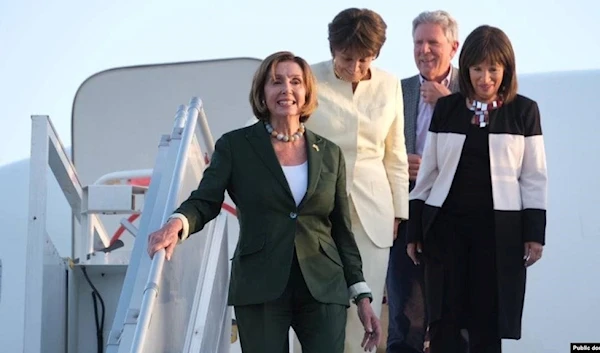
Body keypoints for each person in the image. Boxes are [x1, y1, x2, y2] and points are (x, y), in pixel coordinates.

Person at [146, 51, 381, 353]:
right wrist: (176, 225)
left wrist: (361, 295)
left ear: (307, 91)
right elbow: (206, 200)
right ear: (262, 93)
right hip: (260, 285)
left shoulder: (330, 153)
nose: (287, 89)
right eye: (276, 82)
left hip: (323, 285)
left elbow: (341, 231)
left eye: (296, 81)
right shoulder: (235, 146)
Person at [406, 25, 548, 353]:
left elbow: (534, 177)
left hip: (499, 235)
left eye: (493, 70)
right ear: (466, 70)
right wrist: (415, 229)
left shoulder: (524, 111)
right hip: (445, 231)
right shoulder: (448, 108)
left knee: (488, 322)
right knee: (444, 321)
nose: (485, 78)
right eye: (477, 69)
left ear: (506, 70)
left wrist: (534, 233)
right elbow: (428, 174)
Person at [303, 7, 409, 353]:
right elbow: (266, 128)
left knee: (362, 311)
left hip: (373, 212)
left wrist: (398, 211)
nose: (355, 68)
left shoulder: (390, 84)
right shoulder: (306, 78)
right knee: (315, 306)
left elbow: (395, 153)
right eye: (347, 58)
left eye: (365, 60)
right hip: (315, 210)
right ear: (333, 48)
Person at [385, 10, 467, 353]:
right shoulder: (396, 90)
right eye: (419, 42)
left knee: (458, 316)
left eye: (433, 42)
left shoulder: (474, 88)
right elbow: (376, 147)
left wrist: (448, 103)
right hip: (407, 215)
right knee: (407, 315)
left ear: (453, 46)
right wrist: (400, 165)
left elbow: (493, 143)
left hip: (458, 218)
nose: (425, 50)